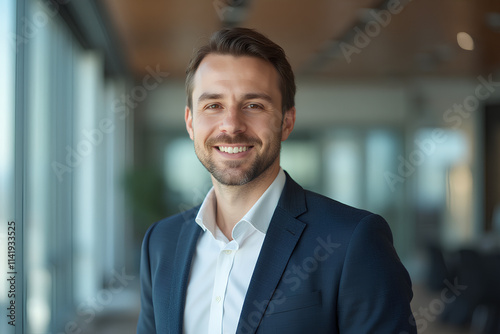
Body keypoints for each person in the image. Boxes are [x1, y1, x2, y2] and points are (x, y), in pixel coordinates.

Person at [137, 27, 416, 334]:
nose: (231, 126)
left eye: (254, 105)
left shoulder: (353, 241)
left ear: (287, 121)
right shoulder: (160, 242)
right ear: (191, 122)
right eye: (213, 105)